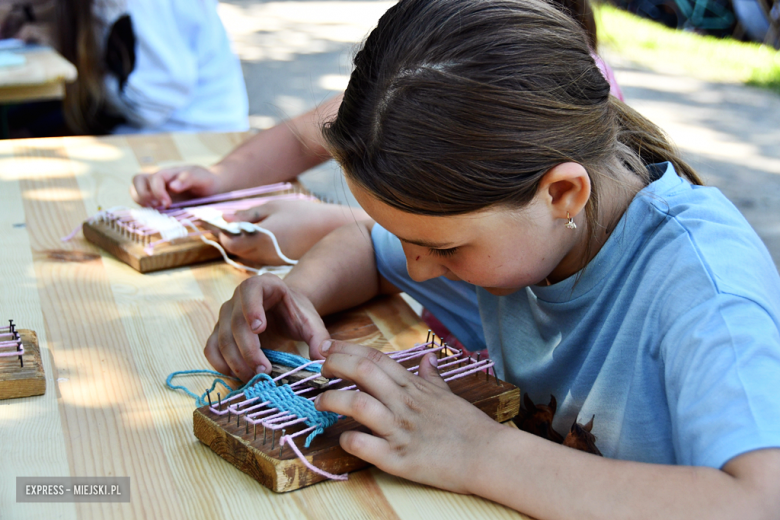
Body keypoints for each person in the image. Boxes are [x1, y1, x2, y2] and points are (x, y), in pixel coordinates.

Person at [204, 0, 780, 516]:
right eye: (408, 238)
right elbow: (364, 248)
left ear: (562, 194)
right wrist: (298, 297)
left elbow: (758, 500)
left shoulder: (707, 289)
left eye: (444, 248)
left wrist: (480, 452)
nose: (420, 267)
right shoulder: (530, 231)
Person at [129, 0, 620, 269]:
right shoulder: (422, 75)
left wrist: (329, 224)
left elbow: (447, 229)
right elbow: (306, 134)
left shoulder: (520, 99)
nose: (418, 266)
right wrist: (222, 176)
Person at [1, 0, 248, 136]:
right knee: (21, 121)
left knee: (27, 138)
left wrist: (76, 64)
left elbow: (152, 105)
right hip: (139, 114)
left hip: (186, 131)